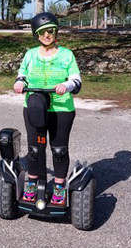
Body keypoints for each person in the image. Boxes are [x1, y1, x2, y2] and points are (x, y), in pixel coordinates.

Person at [13, 12, 82, 206]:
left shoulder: (66, 54)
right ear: (36, 34)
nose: (47, 35)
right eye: (42, 32)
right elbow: (22, 73)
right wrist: (19, 82)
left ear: (55, 32)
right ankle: (32, 183)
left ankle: (59, 187)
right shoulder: (30, 54)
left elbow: (76, 79)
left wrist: (66, 86)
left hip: (61, 108)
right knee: (35, 148)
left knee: (59, 149)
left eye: (50, 31)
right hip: (34, 106)